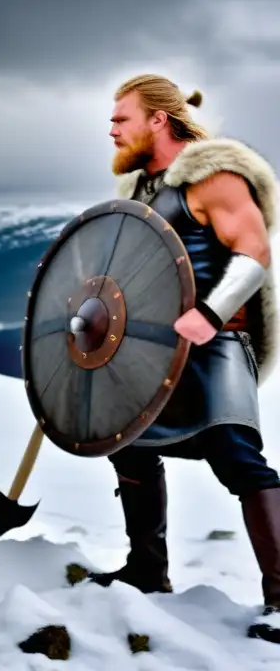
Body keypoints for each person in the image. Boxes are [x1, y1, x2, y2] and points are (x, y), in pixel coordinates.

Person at [90, 74, 280, 641]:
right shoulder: (140, 194)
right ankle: (148, 571)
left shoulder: (212, 176)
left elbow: (254, 251)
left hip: (217, 344)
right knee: (131, 445)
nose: (113, 127)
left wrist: (212, 314)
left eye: (122, 117)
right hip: (154, 350)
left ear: (158, 120)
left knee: (236, 454)